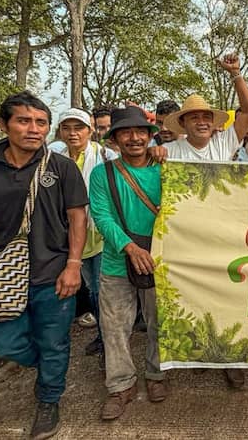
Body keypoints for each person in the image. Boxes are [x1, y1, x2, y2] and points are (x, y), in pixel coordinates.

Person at [0, 91, 88, 440]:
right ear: (4, 124)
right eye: (24, 121)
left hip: (53, 270)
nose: (33, 129)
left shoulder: (61, 167)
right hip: (3, 271)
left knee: (55, 341)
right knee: (3, 344)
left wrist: (73, 264)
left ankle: (48, 399)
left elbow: (77, 218)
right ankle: (47, 369)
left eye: (41, 123)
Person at [150, 54, 248, 388]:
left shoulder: (226, 141)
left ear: (214, 122)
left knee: (228, 295)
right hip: (188, 238)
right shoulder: (173, 151)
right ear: (184, 125)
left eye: (205, 117)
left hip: (224, 235)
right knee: (193, 295)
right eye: (193, 118)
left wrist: (237, 75)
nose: (201, 122)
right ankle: (199, 352)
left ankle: (230, 358)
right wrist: (157, 155)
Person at [88, 106, 168, 419]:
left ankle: (157, 374)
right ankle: (121, 385)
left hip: (160, 261)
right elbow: (102, 216)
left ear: (150, 136)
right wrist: (130, 248)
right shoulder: (102, 174)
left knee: (159, 323)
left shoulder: (166, 168)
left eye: (140, 132)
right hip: (116, 262)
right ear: (115, 139)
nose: (134, 138)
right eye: (126, 133)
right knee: (114, 328)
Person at [55, 107, 117, 358]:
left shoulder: (106, 155)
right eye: (66, 128)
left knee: (102, 291)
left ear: (90, 131)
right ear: (59, 131)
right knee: (91, 290)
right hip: (71, 236)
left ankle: (109, 342)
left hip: (102, 234)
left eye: (78, 128)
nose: (73, 134)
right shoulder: (53, 157)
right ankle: (104, 337)